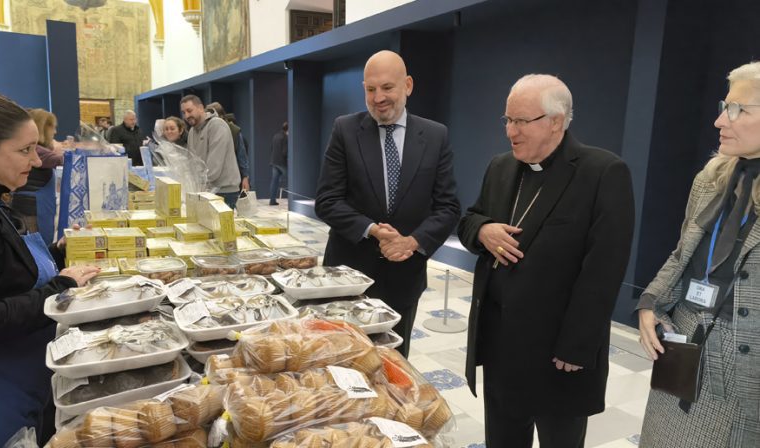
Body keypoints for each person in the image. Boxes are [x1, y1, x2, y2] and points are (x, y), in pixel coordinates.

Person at [457, 74, 634, 448]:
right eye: (507, 120)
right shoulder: (501, 167)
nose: (510, 132)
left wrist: (576, 347)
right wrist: (484, 230)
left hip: (557, 356)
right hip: (501, 349)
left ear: (556, 121)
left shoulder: (602, 172)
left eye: (521, 121)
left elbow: (604, 269)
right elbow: (469, 219)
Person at [0, 90, 100, 447]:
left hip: (24, 377)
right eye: (24, 151)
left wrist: (57, 254)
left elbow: (5, 273)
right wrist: (56, 290)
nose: (37, 162)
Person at [637, 61, 760, 448]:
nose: (721, 121)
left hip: (745, 373)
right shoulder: (710, 178)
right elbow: (682, 257)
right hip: (684, 345)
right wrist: (651, 302)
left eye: (738, 109)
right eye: (724, 106)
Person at [315, 50, 460, 357]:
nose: (378, 97)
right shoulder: (345, 130)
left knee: (394, 364)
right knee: (342, 362)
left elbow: (447, 207)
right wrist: (372, 230)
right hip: (347, 276)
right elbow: (327, 200)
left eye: (387, 87)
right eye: (370, 89)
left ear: (407, 85)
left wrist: (412, 241)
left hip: (403, 278)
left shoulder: (435, 136)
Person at [12, 109, 64, 246]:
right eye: (53, 128)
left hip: (34, 204)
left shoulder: (39, 149)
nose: (55, 132)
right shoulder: (37, 151)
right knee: (36, 246)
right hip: (32, 207)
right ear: (43, 128)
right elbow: (60, 160)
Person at [181, 95, 242, 207]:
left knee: (219, 225)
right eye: (183, 112)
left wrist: (196, 183)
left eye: (189, 110)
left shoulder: (217, 125)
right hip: (205, 190)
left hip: (224, 191)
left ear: (200, 108)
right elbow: (192, 162)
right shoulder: (192, 132)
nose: (186, 115)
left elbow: (214, 166)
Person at [206, 102, 250, 192]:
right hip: (212, 182)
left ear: (221, 116)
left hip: (230, 181)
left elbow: (241, 156)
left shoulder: (234, 130)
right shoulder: (207, 130)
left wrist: (245, 177)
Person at [269, 121, 288, 205]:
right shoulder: (285, 137)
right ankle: (293, 200)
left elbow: (272, 148)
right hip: (282, 163)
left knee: (274, 182)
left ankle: (272, 200)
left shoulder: (275, 136)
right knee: (292, 179)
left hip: (274, 162)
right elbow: (285, 152)